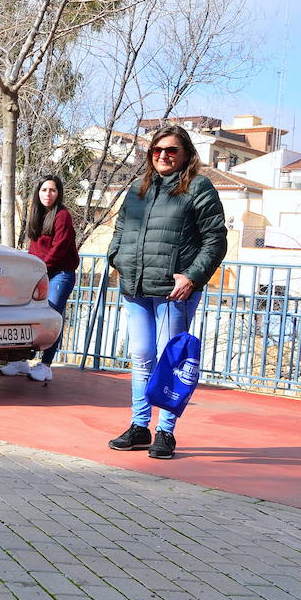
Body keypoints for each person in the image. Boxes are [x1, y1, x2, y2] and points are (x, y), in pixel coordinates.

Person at [105, 125, 225, 460]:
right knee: (142, 358)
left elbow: (215, 239)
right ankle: (140, 426)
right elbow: (120, 229)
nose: (163, 156)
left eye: (171, 150)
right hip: (136, 287)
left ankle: (166, 432)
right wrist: (117, 258)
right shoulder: (138, 189)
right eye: (157, 150)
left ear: (186, 154)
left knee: (170, 361)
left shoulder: (198, 187)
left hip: (175, 293)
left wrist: (192, 277)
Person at [0, 175, 79, 383]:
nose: (48, 194)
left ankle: (46, 365)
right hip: (39, 272)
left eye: (52, 190)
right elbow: (34, 248)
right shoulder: (36, 214)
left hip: (60, 273)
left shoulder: (62, 216)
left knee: (52, 314)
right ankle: (21, 360)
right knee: (24, 313)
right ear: (38, 192)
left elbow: (59, 249)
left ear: (58, 193)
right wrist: (28, 270)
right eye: (44, 190)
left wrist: (39, 269)